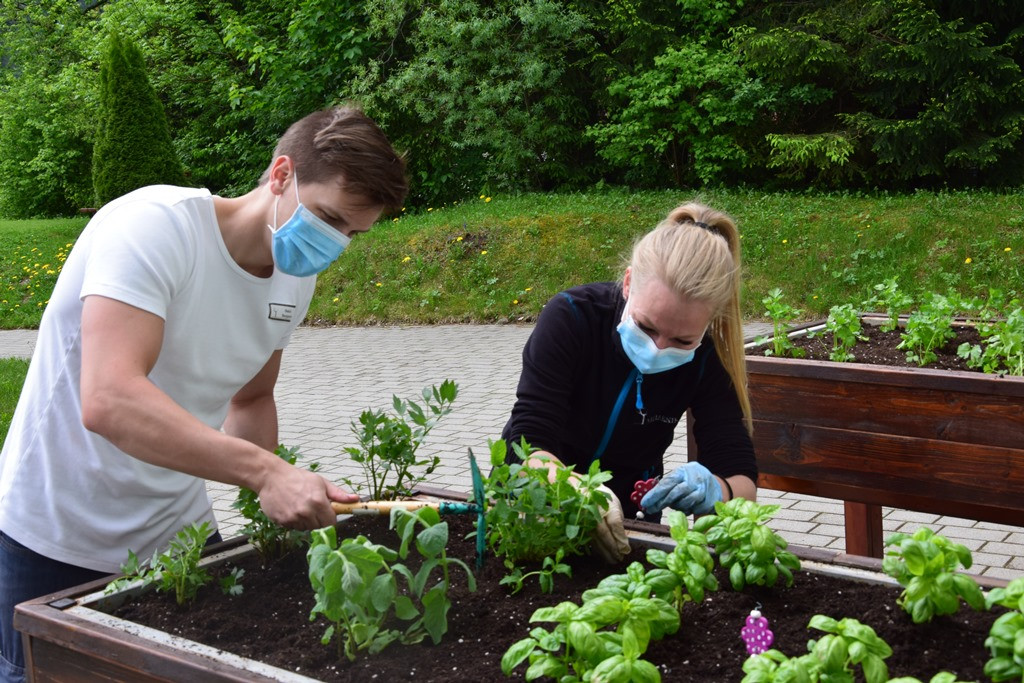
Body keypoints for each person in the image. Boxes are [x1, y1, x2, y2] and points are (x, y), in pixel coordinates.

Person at [0, 105, 408, 682]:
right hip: (58, 532)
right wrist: (266, 474)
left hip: (177, 532)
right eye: (327, 218)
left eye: (351, 233)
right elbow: (110, 398)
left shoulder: (296, 276)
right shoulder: (153, 227)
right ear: (281, 174)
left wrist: (276, 506)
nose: (334, 242)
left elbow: (251, 398)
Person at [501, 201, 758, 563]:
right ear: (627, 283)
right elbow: (527, 440)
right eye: (647, 327)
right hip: (537, 507)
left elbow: (742, 477)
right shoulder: (573, 317)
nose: (658, 349)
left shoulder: (707, 358)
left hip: (629, 523)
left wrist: (718, 490)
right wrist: (580, 491)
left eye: (683, 340)